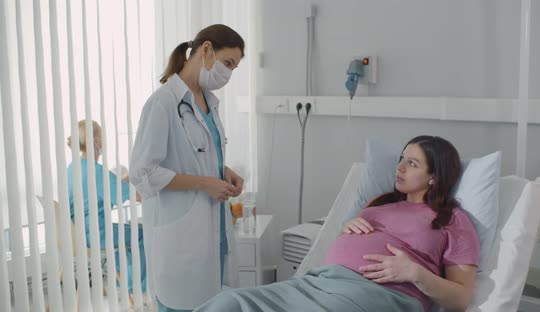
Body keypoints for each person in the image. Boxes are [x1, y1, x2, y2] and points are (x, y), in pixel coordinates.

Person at [195, 136, 479, 312]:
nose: (400, 167)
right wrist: (348, 230)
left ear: (435, 177)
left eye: (413, 164)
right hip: (316, 284)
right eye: (401, 159)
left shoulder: (452, 220)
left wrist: (415, 273)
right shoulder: (379, 203)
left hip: (377, 296)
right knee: (227, 304)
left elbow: (460, 298)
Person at [129, 24, 245, 311]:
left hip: (212, 231)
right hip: (181, 238)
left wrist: (223, 169)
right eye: (227, 63)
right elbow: (142, 172)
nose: (228, 74)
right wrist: (205, 183)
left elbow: (197, 153)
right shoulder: (163, 103)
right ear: (206, 49)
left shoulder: (208, 102)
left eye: (233, 68)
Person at [66, 120, 146, 295]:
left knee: (123, 232)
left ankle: (121, 282)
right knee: (141, 233)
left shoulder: (72, 168)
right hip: (96, 234)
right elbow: (136, 197)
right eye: (101, 137)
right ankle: (135, 285)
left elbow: (100, 191)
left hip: (78, 234)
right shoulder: (97, 171)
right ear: (96, 142)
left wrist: (120, 182)